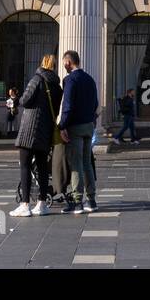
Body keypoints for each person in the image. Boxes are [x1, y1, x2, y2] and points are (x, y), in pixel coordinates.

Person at [9, 55, 64, 217]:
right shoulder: (57, 87)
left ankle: (25, 204)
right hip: (46, 131)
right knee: (42, 168)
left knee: (25, 166)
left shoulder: (37, 79)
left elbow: (25, 101)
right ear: (54, 66)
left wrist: (18, 99)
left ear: (42, 64)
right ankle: (41, 204)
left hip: (30, 130)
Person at [57, 50, 98, 212]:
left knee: (76, 163)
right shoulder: (90, 79)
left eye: (64, 64)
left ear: (68, 62)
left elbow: (67, 106)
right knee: (87, 162)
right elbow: (95, 103)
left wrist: (62, 126)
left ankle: (77, 201)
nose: (64, 67)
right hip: (89, 126)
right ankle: (92, 200)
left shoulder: (70, 80)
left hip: (75, 127)